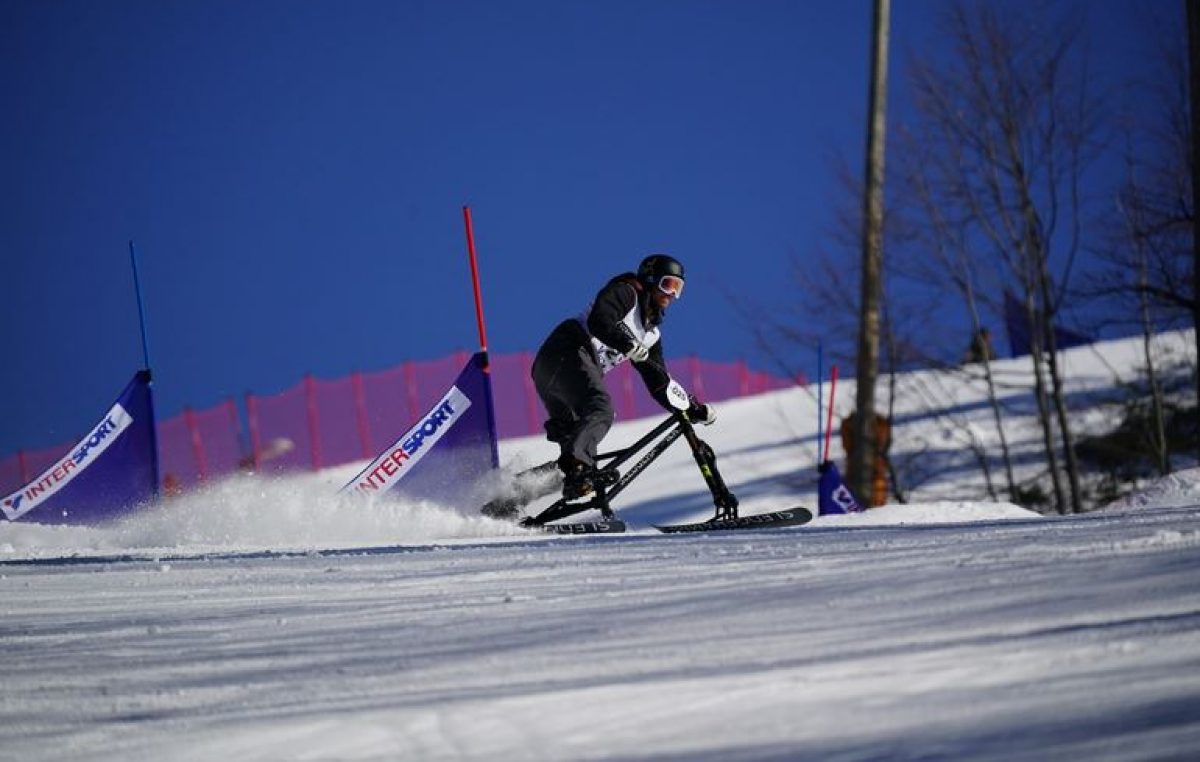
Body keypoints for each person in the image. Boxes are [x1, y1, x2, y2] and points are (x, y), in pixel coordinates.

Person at [531, 254, 716, 500]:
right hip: (567, 350)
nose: (671, 294)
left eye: (678, 289)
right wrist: (626, 343)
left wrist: (691, 407)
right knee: (601, 410)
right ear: (651, 279)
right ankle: (578, 468)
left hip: (559, 377)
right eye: (668, 284)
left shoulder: (651, 336)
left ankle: (510, 496)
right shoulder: (627, 292)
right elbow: (599, 320)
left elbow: (659, 380)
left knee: (579, 450)